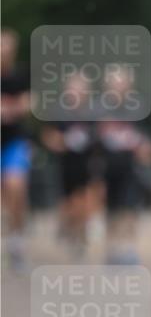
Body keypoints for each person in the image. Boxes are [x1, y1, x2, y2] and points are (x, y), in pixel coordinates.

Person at [98, 67, 151, 264]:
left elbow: (146, 137)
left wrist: (147, 150)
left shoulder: (138, 108)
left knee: (130, 208)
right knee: (111, 211)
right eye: (115, 82)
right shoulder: (99, 109)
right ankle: (112, 249)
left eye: (122, 82)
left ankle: (129, 249)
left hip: (131, 168)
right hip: (107, 168)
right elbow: (91, 140)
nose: (119, 86)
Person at [41, 71, 98, 260]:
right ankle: (68, 227)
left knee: (84, 201)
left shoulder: (93, 114)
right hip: (65, 165)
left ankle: (80, 235)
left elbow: (100, 138)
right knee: (68, 204)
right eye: (74, 89)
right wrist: (60, 142)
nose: (78, 94)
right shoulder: (60, 113)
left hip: (86, 165)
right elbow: (48, 137)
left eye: (81, 90)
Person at [1, 30, 32, 270]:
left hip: (14, 141)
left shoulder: (20, 75)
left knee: (16, 186)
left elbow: (29, 103)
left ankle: (16, 242)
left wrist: (11, 110)